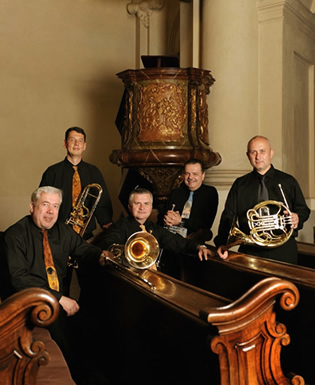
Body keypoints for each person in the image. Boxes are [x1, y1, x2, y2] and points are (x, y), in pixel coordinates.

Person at [0, 186, 109, 384]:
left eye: (56, 206)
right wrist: (58, 298)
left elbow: (84, 250)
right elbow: (19, 279)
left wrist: (102, 256)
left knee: (95, 327)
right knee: (70, 342)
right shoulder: (14, 235)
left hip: (57, 302)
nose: (51, 211)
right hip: (27, 305)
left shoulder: (62, 231)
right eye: (45, 205)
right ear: (32, 207)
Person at [214, 135, 310, 264]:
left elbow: (303, 210)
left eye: (262, 151)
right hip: (250, 249)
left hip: (283, 250)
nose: (258, 157)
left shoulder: (287, 181)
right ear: (248, 155)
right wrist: (222, 243)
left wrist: (297, 217)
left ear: (271, 153)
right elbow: (228, 216)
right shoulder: (240, 184)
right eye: (253, 152)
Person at [95, 187, 213, 262]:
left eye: (146, 203)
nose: (142, 208)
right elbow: (109, 242)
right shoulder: (120, 226)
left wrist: (200, 247)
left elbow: (179, 242)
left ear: (151, 207)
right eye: (137, 203)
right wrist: (109, 251)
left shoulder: (155, 228)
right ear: (130, 207)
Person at [39, 126, 113, 240]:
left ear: (84, 146)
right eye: (72, 140)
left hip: (86, 236)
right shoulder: (52, 172)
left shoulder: (94, 172)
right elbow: (42, 203)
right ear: (65, 143)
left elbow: (102, 203)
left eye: (80, 140)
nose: (76, 144)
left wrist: (106, 223)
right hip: (57, 235)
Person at [159, 158, 218, 243]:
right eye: (187, 174)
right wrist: (167, 217)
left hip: (194, 242)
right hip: (171, 239)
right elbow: (161, 216)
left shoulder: (210, 193)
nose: (190, 177)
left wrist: (181, 222)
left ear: (203, 175)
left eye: (195, 174)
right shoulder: (176, 192)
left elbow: (205, 224)